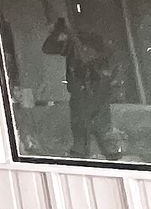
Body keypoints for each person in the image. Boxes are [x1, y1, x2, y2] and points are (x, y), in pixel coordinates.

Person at [43, 13, 126, 162]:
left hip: (96, 90)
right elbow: (49, 48)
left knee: (98, 127)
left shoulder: (98, 42)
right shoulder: (74, 42)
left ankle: (107, 155)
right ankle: (88, 154)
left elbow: (112, 65)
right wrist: (59, 32)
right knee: (83, 128)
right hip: (82, 90)